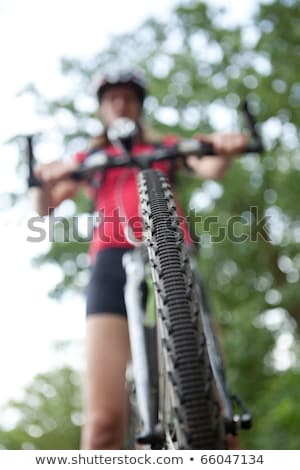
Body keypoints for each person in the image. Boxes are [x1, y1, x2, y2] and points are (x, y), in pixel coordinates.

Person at [31, 71, 248, 449]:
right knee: (102, 424)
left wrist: (223, 147)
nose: (121, 103)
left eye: (129, 98)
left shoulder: (163, 146)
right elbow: (46, 207)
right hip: (110, 262)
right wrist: (44, 179)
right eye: (112, 98)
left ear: (139, 107)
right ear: (102, 110)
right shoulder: (90, 158)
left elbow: (210, 166)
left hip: (174, 254)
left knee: (215, 414)